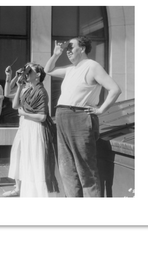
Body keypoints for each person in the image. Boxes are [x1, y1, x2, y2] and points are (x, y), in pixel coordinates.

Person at [45, 36, 122, 197]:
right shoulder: (71, 69)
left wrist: (101, 110)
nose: (68, 51)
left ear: (83, 48)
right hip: (62, 116)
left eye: (71, 47)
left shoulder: (92, 66)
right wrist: (56, 54)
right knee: (67, 169)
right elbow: (48, 70)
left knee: (85, 169)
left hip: (79, 117)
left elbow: (115, 89)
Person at [12, 63, 59, 197]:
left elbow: (42, 116)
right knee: (28, 161)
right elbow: (15, 105)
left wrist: (25, 114)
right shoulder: (27, 90)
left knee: (36, 160)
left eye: (29, 71)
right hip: (27, 129)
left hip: (36, 129)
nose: (26, 74)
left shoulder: (41, 91)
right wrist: (20, 86)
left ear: (37, 75)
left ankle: (40, 194)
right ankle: (30, 195)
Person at [2, 66, 30, 197]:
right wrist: (10, 76)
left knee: (26, 155)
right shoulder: (22, 89)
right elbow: (7, 93)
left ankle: (25, 186)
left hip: (31, 124)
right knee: (17, 153)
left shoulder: (32, 89)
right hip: (22, 125)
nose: (22, 76)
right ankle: (18, 187)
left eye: (24, 73)